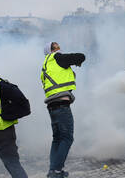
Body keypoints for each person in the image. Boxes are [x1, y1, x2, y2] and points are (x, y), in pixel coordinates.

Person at [41, 42, 85, 178]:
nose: (59, 48)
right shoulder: (57, 58)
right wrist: (74, 62)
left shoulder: (46, 65)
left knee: (57, 139)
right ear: (52, 50)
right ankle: (56, 171)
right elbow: (81, 56)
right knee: (67, 138)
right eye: (56, 46)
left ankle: (52, 171)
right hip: (62, 106)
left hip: (52, 106)